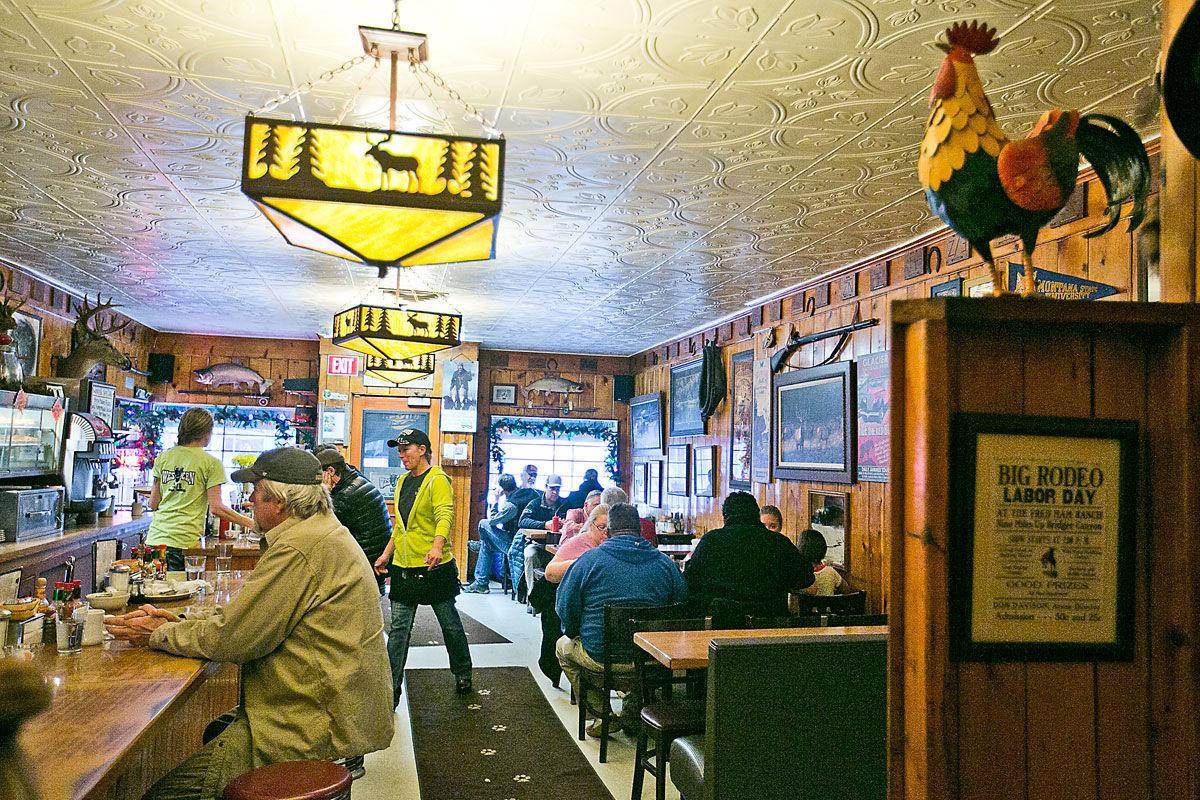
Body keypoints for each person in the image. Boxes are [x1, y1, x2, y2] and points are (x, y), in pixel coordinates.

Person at [105, 447, 394, 799]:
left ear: (280, 502)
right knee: (214, 730)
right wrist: (180, 620)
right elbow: (247, 619)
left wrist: (159, 633)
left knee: (163, 795)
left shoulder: (300, 547)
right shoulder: (318, 532)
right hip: (323, 707)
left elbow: (235, 638)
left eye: (255, 491)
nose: (249, 500)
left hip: (308, 722)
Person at [556, 503, 686, 735]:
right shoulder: (666, 565)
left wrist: (574, 631)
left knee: (562, 648)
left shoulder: (587, 562)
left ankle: (602, 716)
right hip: (652, 659)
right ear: (640, 530)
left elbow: (565, 608)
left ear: (608, 531)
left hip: (601, 656)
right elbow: (681, 609)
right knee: (639, 661)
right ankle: (633, 712)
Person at [372, 428, 473, 704]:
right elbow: (400, 527)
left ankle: (463, 671)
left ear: (422, 449)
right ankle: (391, 690)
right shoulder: (403, 481)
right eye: (399, 450)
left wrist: (438, 545)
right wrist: (386, 555)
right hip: (404, 566)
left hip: (433, 567)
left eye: (406, 449)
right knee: (399, 631)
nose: (402, 455)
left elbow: (445, 514)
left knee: (449, 624)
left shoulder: (437, 480)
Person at [146, 407, 255, 571]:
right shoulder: (211, 463)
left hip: (154, 541)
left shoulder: (163, 457)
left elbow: (153, 503)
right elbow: (217, 508)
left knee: (153, 590)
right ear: (206, 433)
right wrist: (253, 523)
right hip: (183, 543)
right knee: (181, 592)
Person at [684, 491, 814, 626]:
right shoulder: (779, 542)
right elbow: (807, 579)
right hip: (771, 628)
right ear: (757, 515)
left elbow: (690, 581)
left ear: (725, 517)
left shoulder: (711, 541)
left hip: (721, 628)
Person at [316, 447, 392, 593]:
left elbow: (321, 524)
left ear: (330, 472)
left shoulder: (347, 494)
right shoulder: (357, 479)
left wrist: (324, 490)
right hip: (373, 563)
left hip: (363, 569)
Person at [464, 473, 518, 593]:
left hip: (514, 544)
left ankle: (481, 583)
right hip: (516, 539)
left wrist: (496, 501)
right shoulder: (521, 495)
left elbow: (492, 521)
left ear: (503, 489)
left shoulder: (511, 506)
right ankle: (481, 583)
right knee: (487, 544)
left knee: (483, 523)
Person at [518, 474, 564, 600]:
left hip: (558, 546)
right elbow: (522, 521)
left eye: (557, 489)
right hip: (538, 544)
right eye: (552, 489)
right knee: (529, 554)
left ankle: (559, 598)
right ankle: (533, 596)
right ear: (545, 487)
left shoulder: (564, 504)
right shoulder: (535, 503)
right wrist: (544, 525)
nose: (555, 492)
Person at [545, 503, 608, 584]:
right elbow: (549, 573)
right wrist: (578, 564)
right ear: (591, 526)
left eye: (610, 529)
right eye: (601, 527)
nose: (606, 533)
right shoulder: (579, 541)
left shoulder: (613, 544)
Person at [798, 528, 846, 595]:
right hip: (829, 605)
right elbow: (846, 589)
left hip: (808, 605)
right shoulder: (830, 572)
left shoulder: (800, 575)